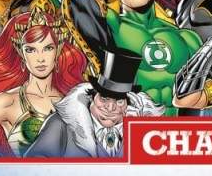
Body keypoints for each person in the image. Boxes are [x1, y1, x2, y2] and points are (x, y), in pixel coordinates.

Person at [62, 0, 202, 115]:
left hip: (178, 128)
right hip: (130, 125)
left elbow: (201, 96)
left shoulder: (185, 37)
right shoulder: (112, 26)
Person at [0, 8, 87, 156]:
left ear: (57, 52)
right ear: (21, 54)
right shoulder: (6, 102)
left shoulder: (72, 102)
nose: (40, 58)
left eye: (48, 48)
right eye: (31, 50)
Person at [26, 47, 164, 158]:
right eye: (104, 98)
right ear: (92, 97)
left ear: (128, 104)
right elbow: (34, 164)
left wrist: (136, 134)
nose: (110, 107)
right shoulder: (61, 124)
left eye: (119, 101)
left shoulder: (145, 132)